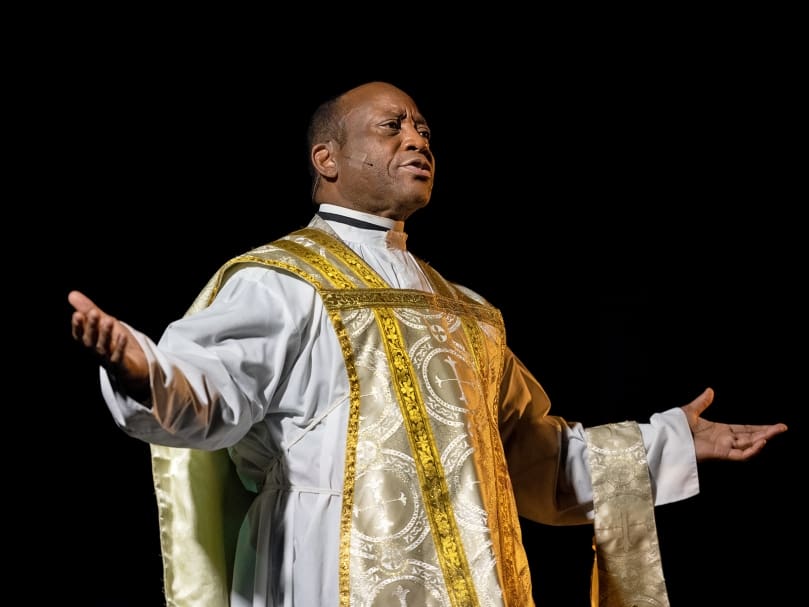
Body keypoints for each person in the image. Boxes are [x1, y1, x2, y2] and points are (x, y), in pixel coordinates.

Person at [68, 81, 787, 607]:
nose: (417, 139)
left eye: (422, 129)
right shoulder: (283, 280)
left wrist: (666, 442)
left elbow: (532, 459)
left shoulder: (468, 312)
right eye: (391, 127)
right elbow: (205, 393)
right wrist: (141, 367)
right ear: (327, 157)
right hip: (329, 569)